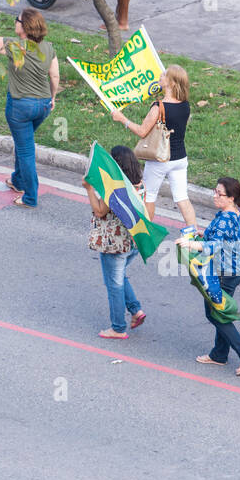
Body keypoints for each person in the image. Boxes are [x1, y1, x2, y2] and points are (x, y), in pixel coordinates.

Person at [180, 177, 240, 375]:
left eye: (219, 194)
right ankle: (219, 355)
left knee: (215, 314)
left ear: (231, 198)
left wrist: (191, 244)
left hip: (224, 272)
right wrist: (201, 235)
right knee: (219, 310)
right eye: (214, 191)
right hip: (233, 270)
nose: (214, 195)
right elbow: (219, 238)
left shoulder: (224, 218)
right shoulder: (233, 212)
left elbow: (214, 246)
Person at [0, 6, 59, 208]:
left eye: (18, 20)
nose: (15, 22)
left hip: (20, 108)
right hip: (42, 106)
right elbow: (54, 76)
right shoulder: (49, 47)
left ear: (24, 27)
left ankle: (30, 197)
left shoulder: (14, 45)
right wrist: (53, 98)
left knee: (26, 150)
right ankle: (17, 181)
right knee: (23, 142)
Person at [111, 65, 195, 228]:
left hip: (160, 160)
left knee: (149, 197)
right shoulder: (185, 105)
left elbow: (142, 132)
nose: (160, 76)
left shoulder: (159, 106)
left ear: (170, 82)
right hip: (180, 159)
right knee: (182, 198)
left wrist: (122, 119)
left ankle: (146, 232)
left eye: (164, 75)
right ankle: (194, 233)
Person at [85, 146, 147, 339]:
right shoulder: (140, 185)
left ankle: (118, 328)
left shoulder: (114, 188)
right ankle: (136, 310)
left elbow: (99, 211)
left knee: (114, 285)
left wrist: (88, 189)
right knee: (119, 278)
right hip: (133, 242)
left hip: (115, 245)